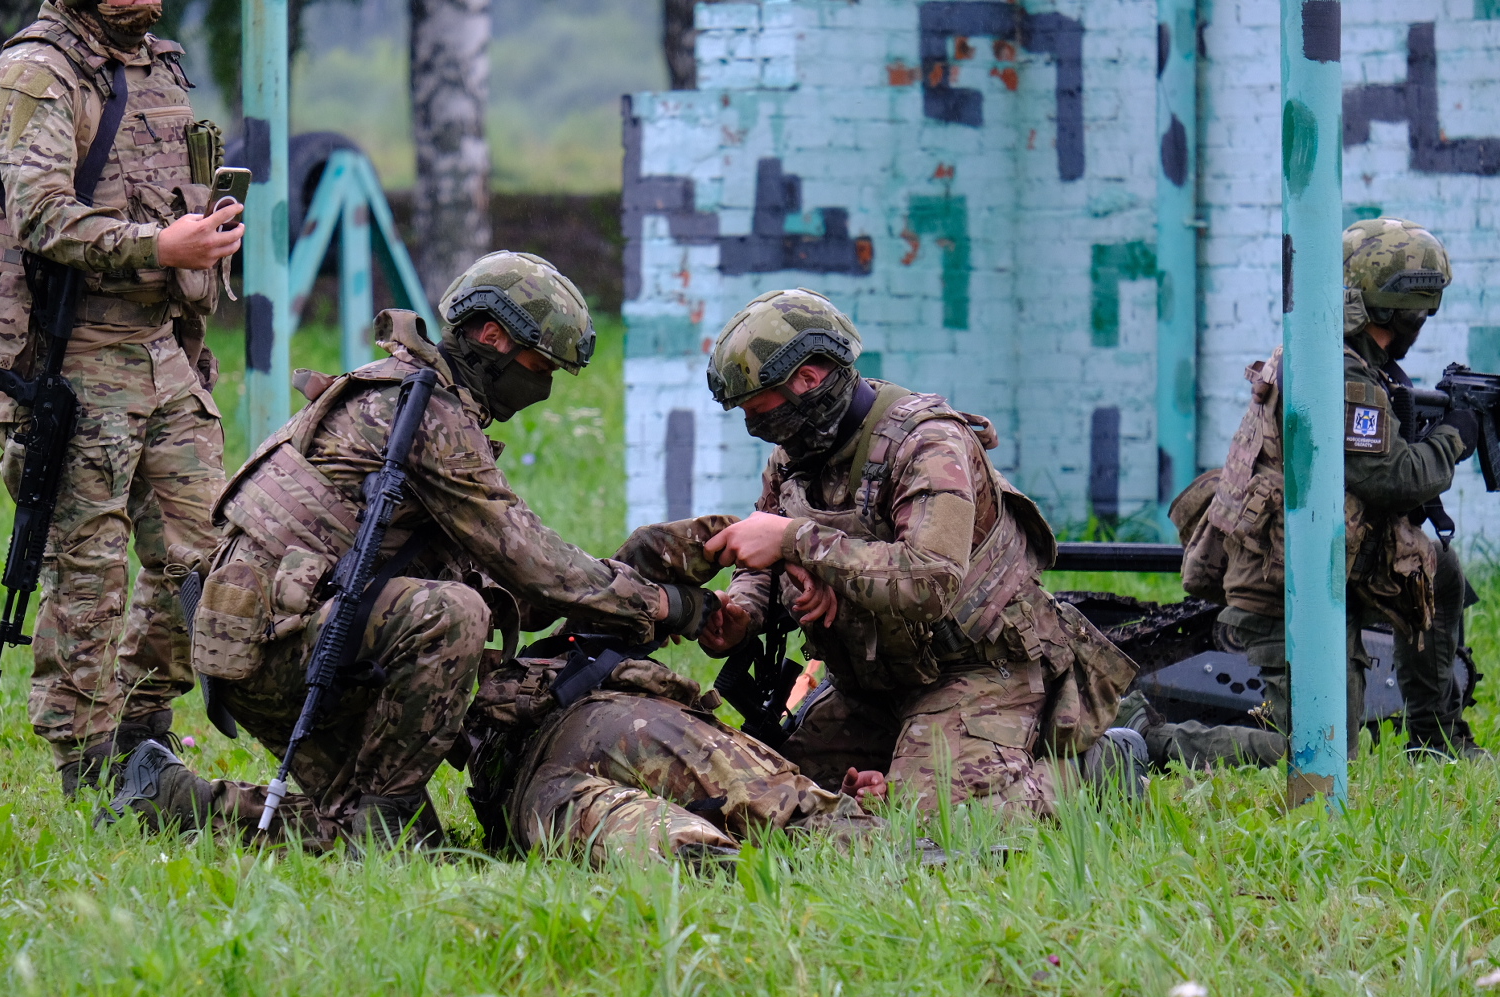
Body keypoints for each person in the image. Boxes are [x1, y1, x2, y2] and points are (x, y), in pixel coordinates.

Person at [177, 253, 713, 847]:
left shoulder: (396, 389)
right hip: (288, 648)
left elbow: (499, 574)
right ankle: (382, 811)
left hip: (268, 636)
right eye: (540, 363)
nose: (545, 384)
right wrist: (665, 607)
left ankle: (181, 801)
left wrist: (615, 587)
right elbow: (528, 558)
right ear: (493, 337)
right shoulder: (426, 414)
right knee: (454, 615)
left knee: (405, 845)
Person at [107, 516, 885, 862]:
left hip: (523, 788)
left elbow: (592, 573)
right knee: (799, 825)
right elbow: (601, 571)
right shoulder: (464, 579)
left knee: (669, 846)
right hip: (607, 726)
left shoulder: (433, 588)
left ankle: (183, 801)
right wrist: (696, 587)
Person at [0, 0, 244, 794]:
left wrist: (200, 230)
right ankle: (86, 768)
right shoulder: (35, 73)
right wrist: (159, 244)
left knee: (206, 552)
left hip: (159, 352)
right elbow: (40, 216)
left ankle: (145, 734)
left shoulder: (159, 66)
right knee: (89, 571)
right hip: (74, 362)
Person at [693, 290, 1142, 816]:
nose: (753, 423)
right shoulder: (796, 457)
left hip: (976, 669)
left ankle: (1094, 769)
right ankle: (908, 761)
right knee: (778, 796)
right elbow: (766, 559)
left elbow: (929, 581)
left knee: (935, 820)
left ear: (809, 380)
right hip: (872, 683)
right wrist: (742, 612)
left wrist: (797, 541)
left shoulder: (927, 443)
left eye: (757, 407)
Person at [1166, 217, 1481, 763]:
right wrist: (1453, 439)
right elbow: (1393, 478)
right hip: (1288, 591)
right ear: (1403, 310)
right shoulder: (1342, 376)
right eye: (1423, 312)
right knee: (1320, 755)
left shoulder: (1337, 358)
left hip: (1323, 566)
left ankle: (1436, 738)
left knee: (1441, 573)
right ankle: (1146, 739)